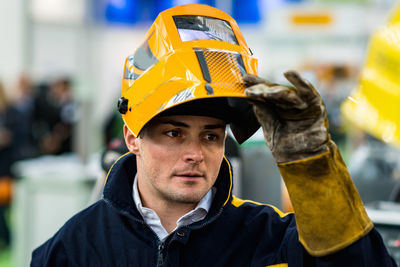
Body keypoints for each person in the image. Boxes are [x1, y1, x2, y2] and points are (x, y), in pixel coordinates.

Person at [31, 4, 396, 266]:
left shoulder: (270, 239)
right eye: (174, 133)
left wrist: (315, 171)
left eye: (210, 136)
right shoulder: (74, 247)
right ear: (132, 138)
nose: (195, 153)